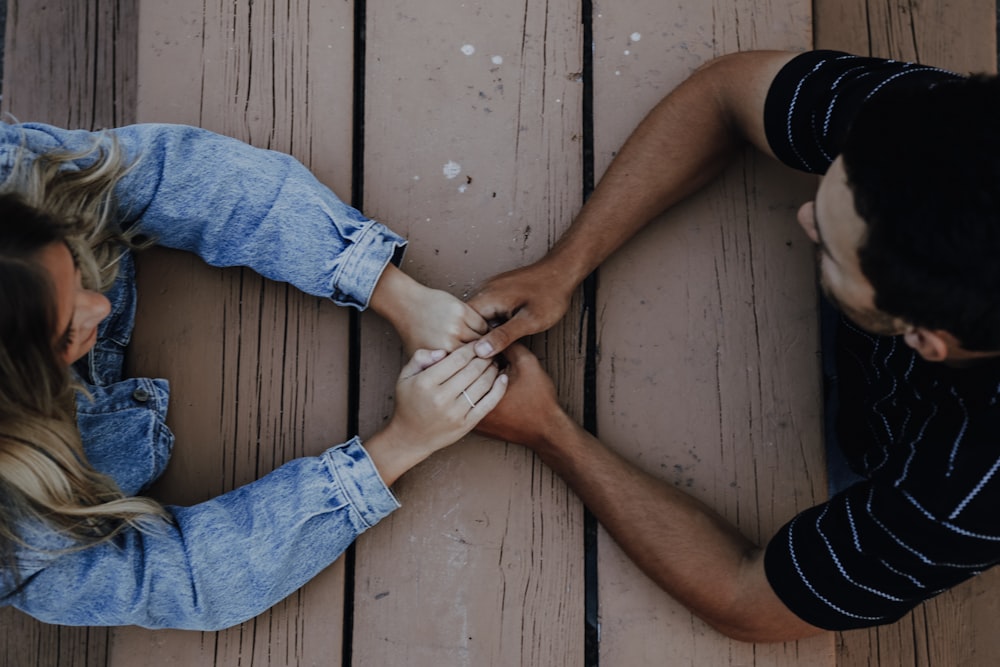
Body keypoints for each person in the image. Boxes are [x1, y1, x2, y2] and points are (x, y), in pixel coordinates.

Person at [469, 50, 1000, 641]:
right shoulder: (940, 128)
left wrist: (548, 431)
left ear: (924, 338)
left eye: (828, 246)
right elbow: (724, 94)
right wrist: (562, 266)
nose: (803, 214)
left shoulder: (961, 500)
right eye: (831, 183)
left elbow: (747, 600)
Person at [0, 121, 507, 630]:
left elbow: (166, 173)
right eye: (65, 332)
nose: (99, 304)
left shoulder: (10, 179)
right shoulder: (15, 546)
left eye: (71, 260)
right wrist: (399, 447)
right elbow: (184, 581)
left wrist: (392, 291)